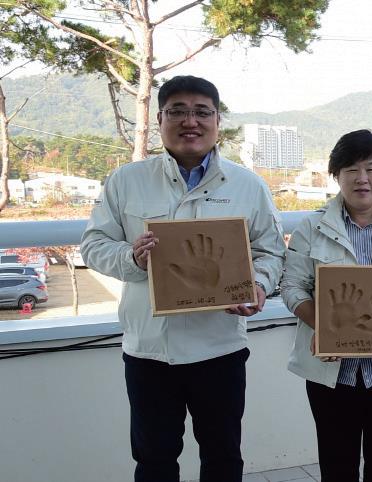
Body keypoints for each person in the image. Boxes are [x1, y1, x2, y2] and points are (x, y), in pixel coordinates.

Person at [80, 75, 285, 481]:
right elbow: (93, 245)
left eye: (201, 112)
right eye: (177, 111)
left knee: (223, 458)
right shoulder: (127, 180)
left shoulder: (248, 185)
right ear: (159, 119)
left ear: (217, 121)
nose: (190, 121)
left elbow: (271, 251)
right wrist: (133, 258)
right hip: (150, 351)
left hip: (220, 348)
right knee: (154, 460)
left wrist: (258, 284)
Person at [279, 129, 372, 481]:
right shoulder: (312, 227)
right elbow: (292, 286)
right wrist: (324, 326)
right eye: (351, 169)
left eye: (370, 168)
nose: (362, 178)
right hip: (332, 374)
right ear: (336, 175)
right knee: (337, 468)